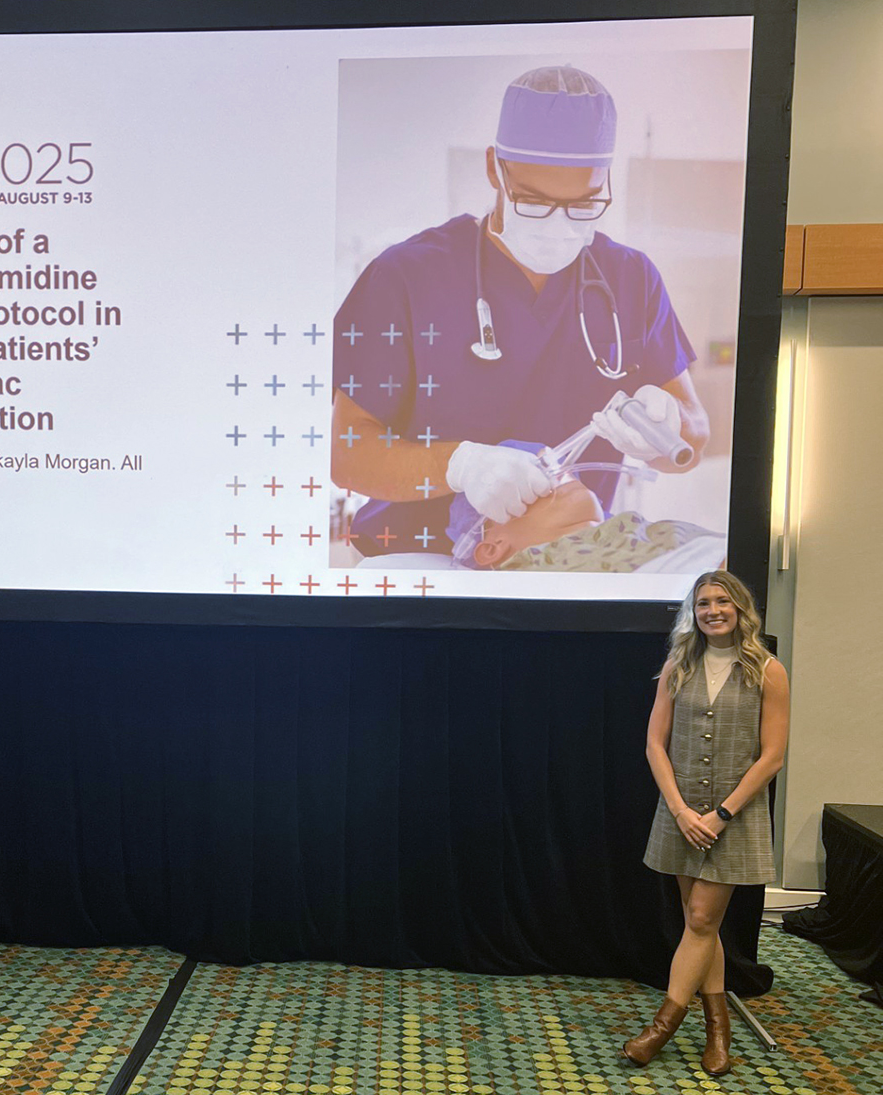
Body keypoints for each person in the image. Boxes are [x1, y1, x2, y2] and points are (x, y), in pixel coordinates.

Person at [331, 65, 711, 559]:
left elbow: (694, 436)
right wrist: (458, 466)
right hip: (416, 562)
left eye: (583, 205)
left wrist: (665, 427)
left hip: (569, 562)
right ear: (495, 168)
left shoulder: (630, 279)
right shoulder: (405, 276)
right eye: (533, 201)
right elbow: (345, 453)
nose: (558, 224)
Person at [622, 571, 789, 1076]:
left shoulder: (768, 670)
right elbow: (655, 743)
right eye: (703, 604)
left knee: (699, 920)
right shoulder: (679, 664)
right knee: (704, 925)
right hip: (680, 814)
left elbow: (773, 756)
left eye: (722, 601)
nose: (712, 610)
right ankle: (719, 1026)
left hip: (733, 818)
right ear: (692, 613)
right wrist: (680, 810)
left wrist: (720, 815)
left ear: (741, 608)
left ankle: (662, 1026)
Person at [445, 480, 726, 573]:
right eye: (527, 486)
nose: (559, 478)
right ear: (492, 547)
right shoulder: (530, 579)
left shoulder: (621, 530)